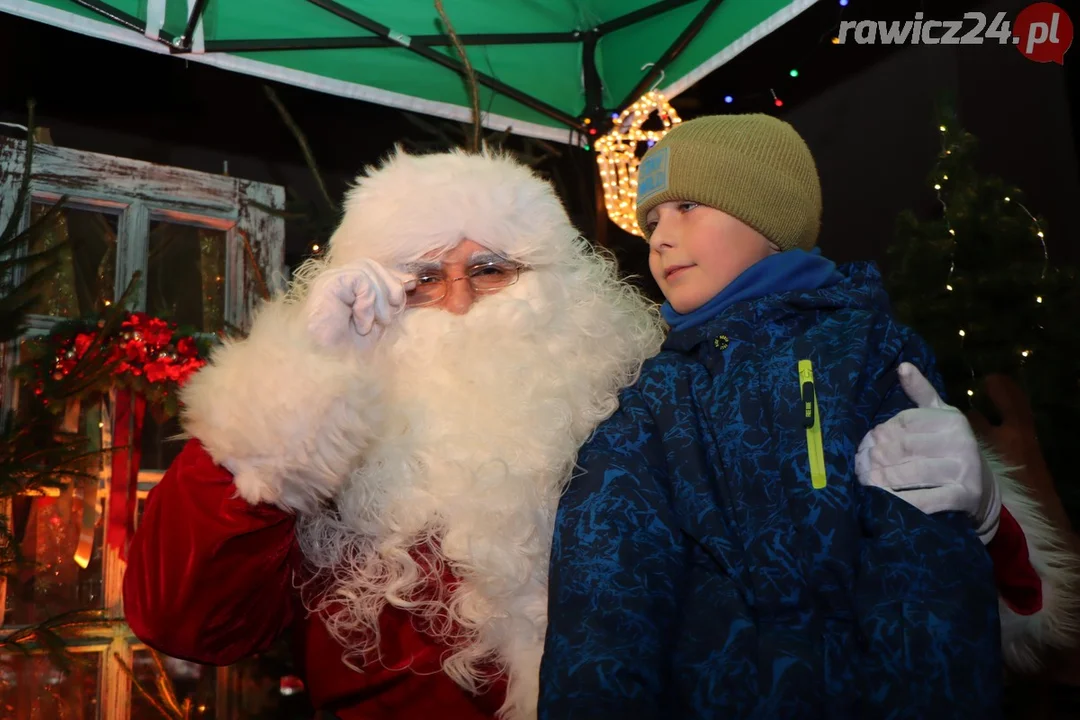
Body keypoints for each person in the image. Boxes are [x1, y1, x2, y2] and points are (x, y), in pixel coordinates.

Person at [123, 145, 1073, 720]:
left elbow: (858, 584)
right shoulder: (328, 442)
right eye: (418, 278)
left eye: (489, 268)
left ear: (559, 283)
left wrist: (989, 521)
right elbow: (183, 620)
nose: (453, 302)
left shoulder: (655, 396)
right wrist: (297, 397)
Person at [538, 114, 1077, 718]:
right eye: (652, 221)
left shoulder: (870, 352)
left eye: (687, 207)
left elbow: (923, 573)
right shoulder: (649, 399)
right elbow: (605, 598)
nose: (659, 238)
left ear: (769, 218)